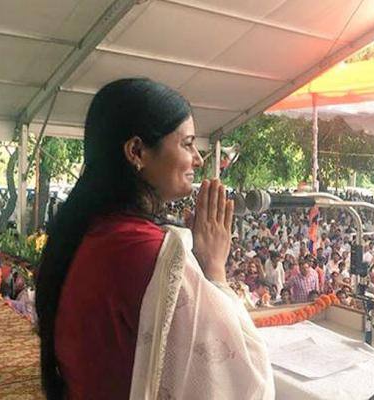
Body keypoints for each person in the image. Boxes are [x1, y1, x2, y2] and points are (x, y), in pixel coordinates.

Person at [35, 79, 274, 399]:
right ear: (137, 152)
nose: (199, 160)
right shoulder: (149, 254)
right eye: (187, 144)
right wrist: (215, 269)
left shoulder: (89, 232)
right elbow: (243, 382)